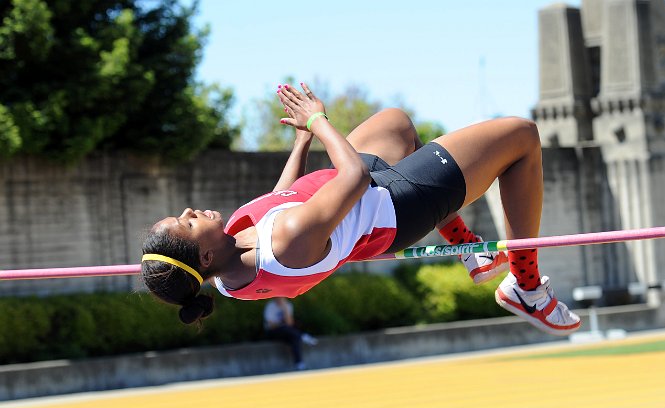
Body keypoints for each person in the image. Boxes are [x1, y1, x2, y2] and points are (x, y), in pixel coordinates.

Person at [141, 82, 581, 336]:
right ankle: (526, 286)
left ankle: (469, 247)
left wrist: (301, 143)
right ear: (203, 256)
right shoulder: (287, 242)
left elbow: (279, 200)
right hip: (397, 202)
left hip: (363, 191)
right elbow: (350, 178)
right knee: (521, 136)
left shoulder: (228, 274)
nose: (190, 210)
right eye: (186, 222)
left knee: (395, 123)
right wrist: (318, 120)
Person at [263, 297, 317, 370]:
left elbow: (289, 323)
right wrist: (281, 325)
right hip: (272, 332)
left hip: (287, 332)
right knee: (286, 329)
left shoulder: (288, 305)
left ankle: (299, 363)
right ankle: (302, 336)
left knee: (295, 339)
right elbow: (271, 325)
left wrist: (285, 308)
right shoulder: (270, 306)